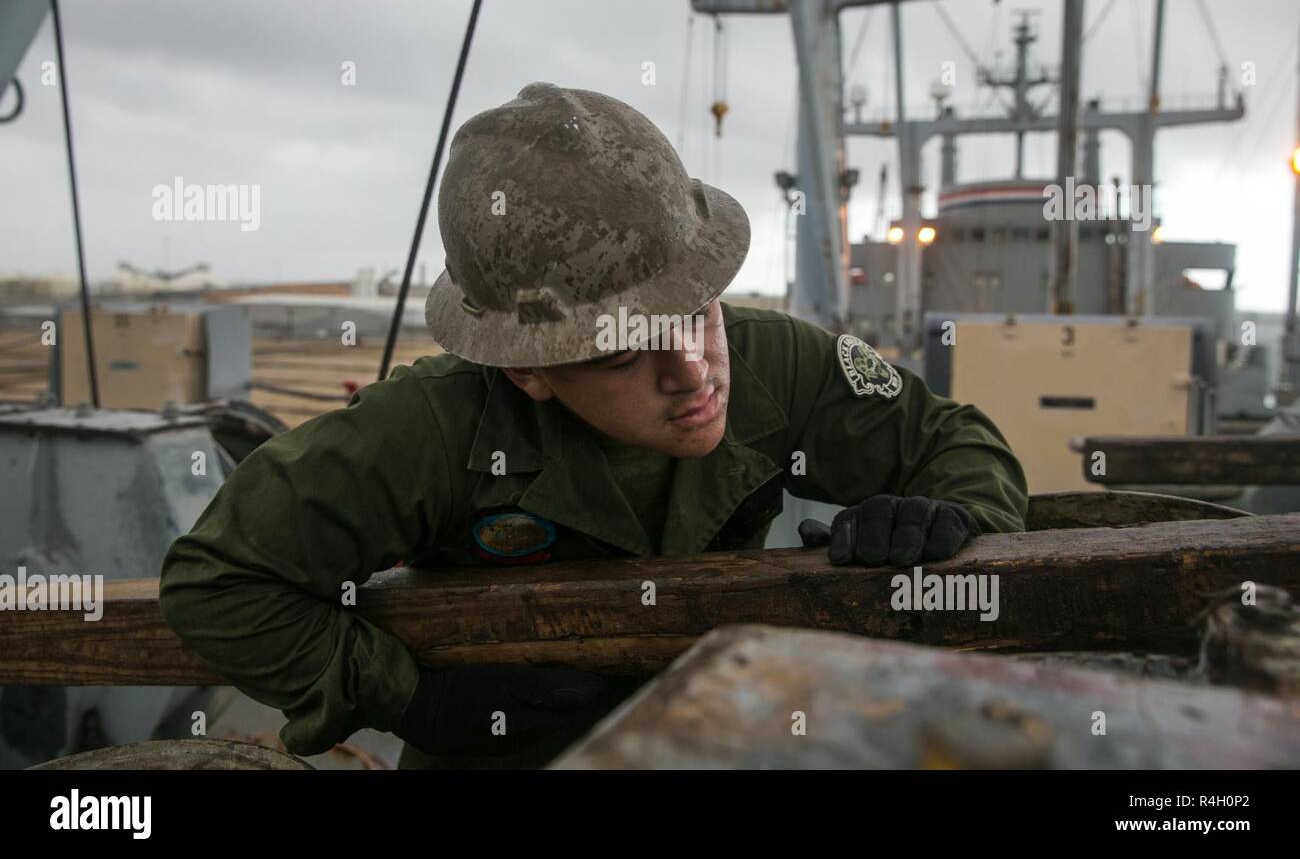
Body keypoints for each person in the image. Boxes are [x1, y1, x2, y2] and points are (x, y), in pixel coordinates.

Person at [159, 82, 1028, 769]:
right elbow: (221, 582)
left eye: (699, 314)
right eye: (623, 356)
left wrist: (952, 523)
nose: (694, 375)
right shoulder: (427, 430)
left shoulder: (773, 364)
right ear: (528, 368)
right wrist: (410, 700)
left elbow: (949, 443)